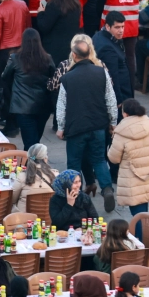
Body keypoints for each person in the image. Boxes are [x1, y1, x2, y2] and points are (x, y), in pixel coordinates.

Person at [54, 34, 119, 212]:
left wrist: (60, 127)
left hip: (76, 128)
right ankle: (107, 189)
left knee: (74, 163)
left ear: (74, 55)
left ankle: (75, 198)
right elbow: (111, 100)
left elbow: (62, 106)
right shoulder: (101, 73)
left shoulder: (67, 78)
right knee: (99, 160)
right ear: (90, 53)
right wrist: (113, 121)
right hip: (98, 125)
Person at [108, 98, 149, 221]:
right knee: (143, 211)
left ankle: (141, 239)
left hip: (132, 179)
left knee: (137, 215)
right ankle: (144, 237)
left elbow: (113, 158)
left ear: (125, 113)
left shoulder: (120, 132)